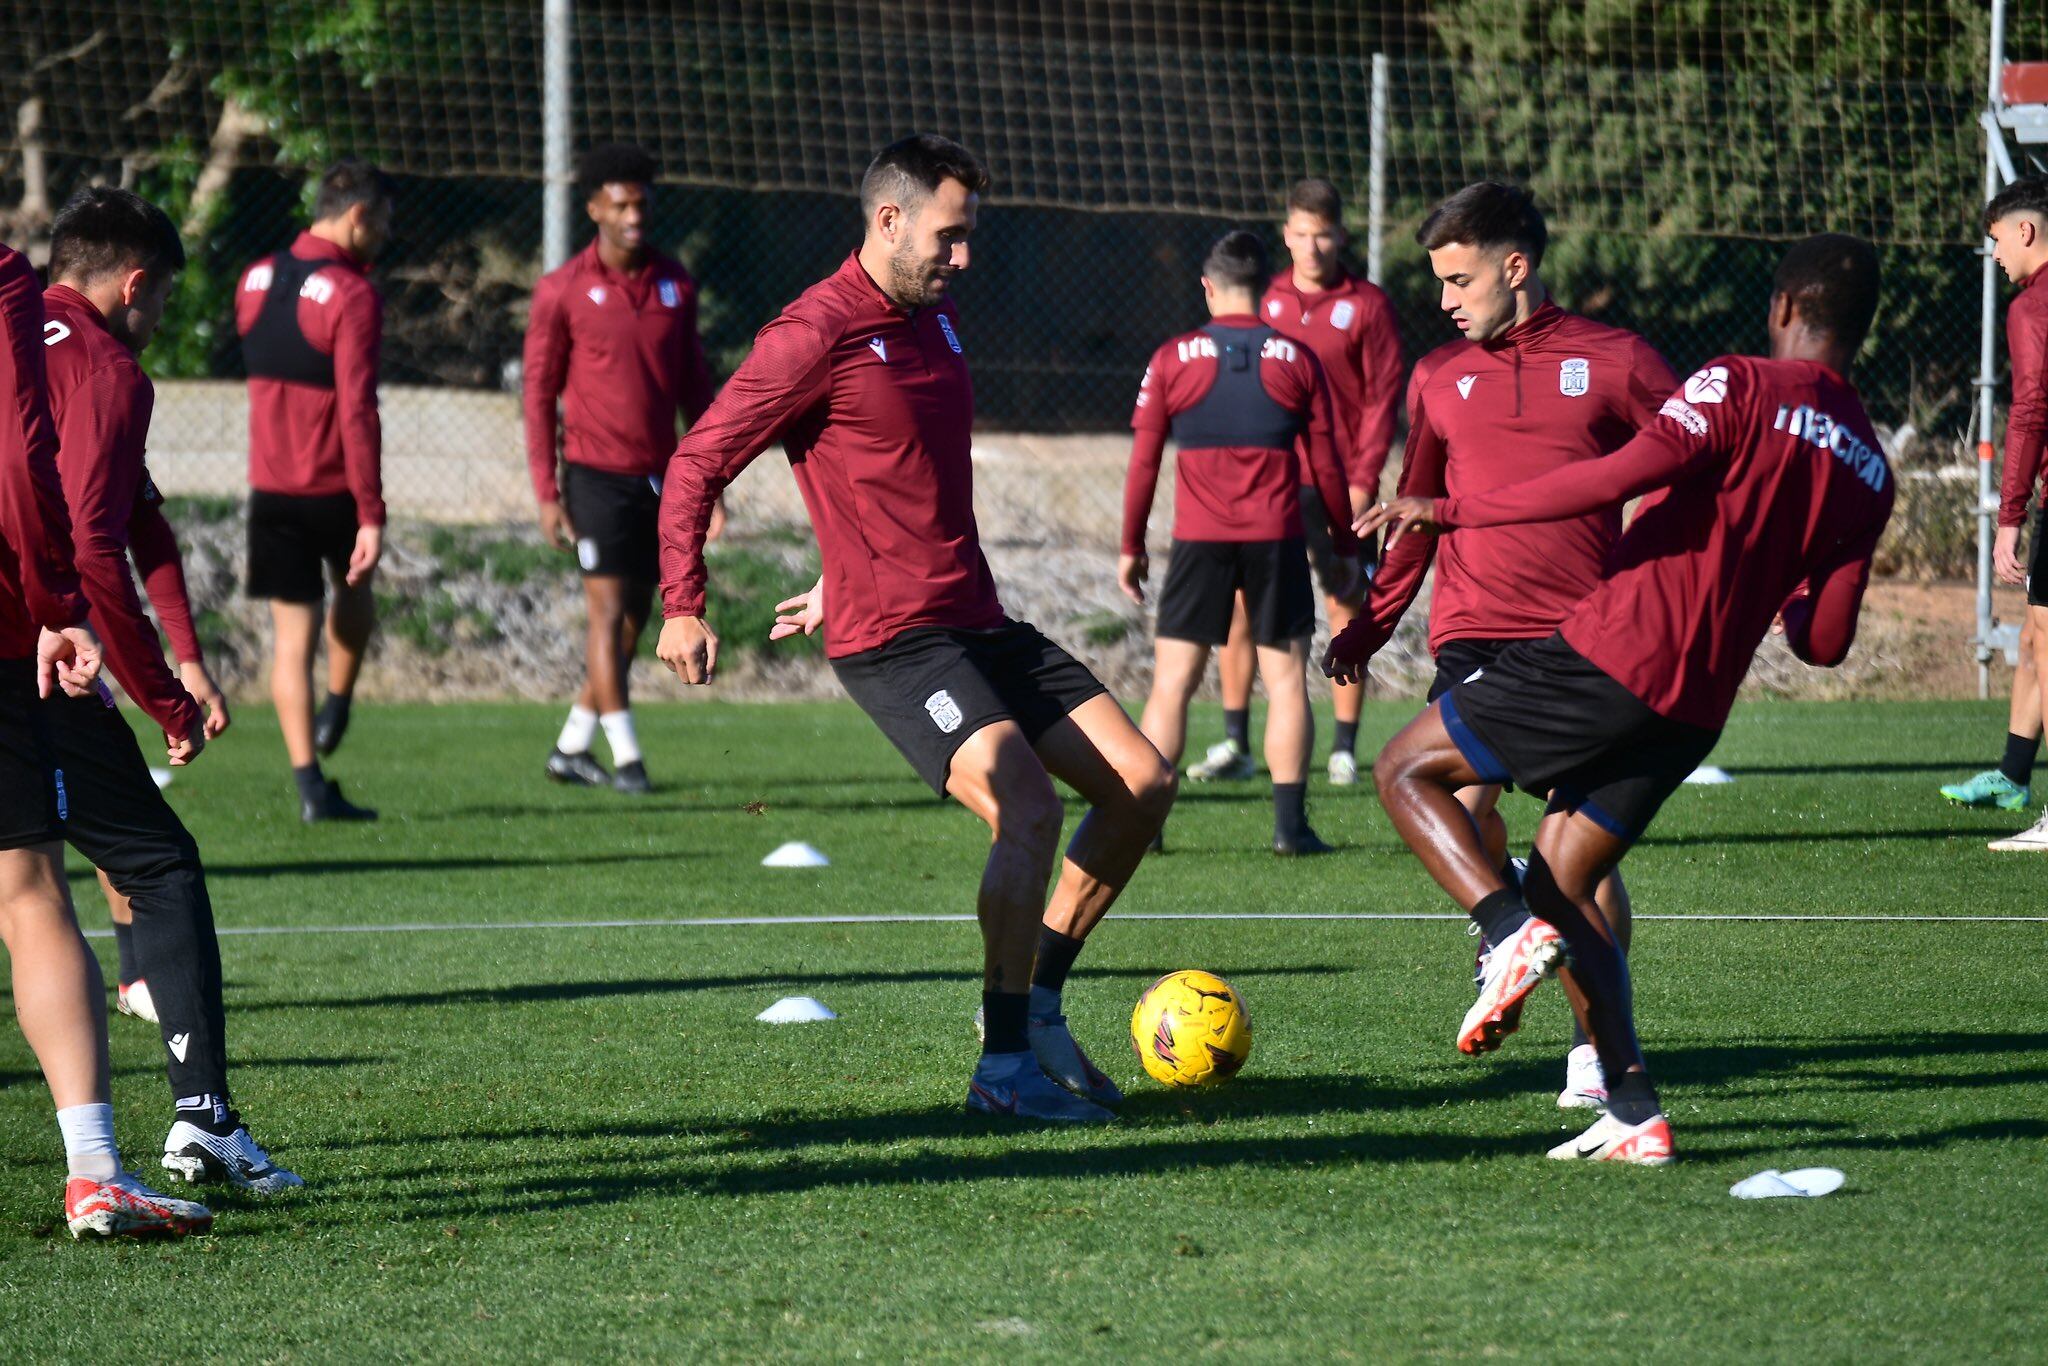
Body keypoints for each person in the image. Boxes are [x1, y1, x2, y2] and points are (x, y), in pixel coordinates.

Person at [655, 135, 1175, 1123]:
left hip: (975, 617)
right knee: (1026, 803)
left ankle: (1040, 1006)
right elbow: (695, 465)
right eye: (950, 234)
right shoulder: (811, 333)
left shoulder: (934, 319)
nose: (963, 256)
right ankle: (1005, 1069)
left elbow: (896, 476)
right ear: (887, 221)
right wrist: (682, 600)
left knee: (1143, 784)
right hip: (895, 640)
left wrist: (834, 564)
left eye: (969, 236)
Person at [1355, 233, 1894, 1163]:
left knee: (1405, 770)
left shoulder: (1738, 383)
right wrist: (1779, 583)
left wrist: (1448, 510)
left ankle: (1500, 932)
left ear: (1784, 309)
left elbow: (1610, 480)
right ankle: (1634, 1111)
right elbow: (1825, 642)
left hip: (1614, 651)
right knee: (1564, 884)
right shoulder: (1871, 470)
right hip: (1693, 708)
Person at [1323, 182, 1676, 1108]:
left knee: (1581, 856)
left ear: (1515, 269)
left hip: (1588, 640)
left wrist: (1651, 576)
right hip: (1475, 631)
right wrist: (1373, 620)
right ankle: (1508, 928)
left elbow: (1693, 464)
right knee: (1462, 791)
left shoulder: (1616, 360)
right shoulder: (1440, 377)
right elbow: (1415, 509)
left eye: (1458, 280)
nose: (1443, 301)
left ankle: (1594, 1049)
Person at [43, 187, 302, 1195]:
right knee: (158, 863)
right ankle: (200, 1120)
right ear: (135, 285)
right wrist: (162, 696)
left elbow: (138, 519)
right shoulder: (107, 368)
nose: (154, 327)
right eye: (157, 306)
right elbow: (100, 546)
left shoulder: (20, 331)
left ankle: (114, 1153)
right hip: (33, 648)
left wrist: (184, 660)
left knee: (29, 884)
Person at [0, 236, 211, 1237]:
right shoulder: (14, 284)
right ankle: (97, 1166)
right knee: (31, 887)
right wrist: (53, 604)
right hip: (5, 629)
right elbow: (24, 461)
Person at [1121, 228, 1361, 854]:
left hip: (1199, 540)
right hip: (1275, 539)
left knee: (1172, 682)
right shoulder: (1297, 358)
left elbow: (1144, 463)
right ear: (1265, 290)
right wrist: (1343, 545)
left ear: (1207, 287)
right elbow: (1329, 466)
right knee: (1285, 682)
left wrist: (1131, 546)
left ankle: (1146, 826)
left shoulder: (1171, 358)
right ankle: (1290, 829)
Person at [1188, 178, 1404, 786]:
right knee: (1238, 607)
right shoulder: (1265, 296)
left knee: (1345, 601)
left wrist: (1362, 481)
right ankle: (1236, 744)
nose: (1312, 247)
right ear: (1287, 234)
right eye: (1301, 234)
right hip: (1268, 483)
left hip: (1338, 484)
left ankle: (1342, 748)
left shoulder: (1368, 306)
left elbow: (1383, 402)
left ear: (1341, 235)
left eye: (1324, 234)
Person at [525, 143, 718, 794]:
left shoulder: (675, 283)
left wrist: (712, 480)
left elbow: (695, 383)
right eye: (621, 202)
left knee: (636, 618)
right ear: (593, 208)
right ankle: (629, 757)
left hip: (660, 479)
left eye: (642, 201)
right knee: (606, 616)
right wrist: (548, 493)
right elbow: (537, 394)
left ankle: (571, 747)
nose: (635, 213)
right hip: (592, 477)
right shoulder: (563, 290)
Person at [237, 159, 392, 822]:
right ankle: (339, 703)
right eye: (383, 222)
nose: (385, 235)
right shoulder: (352, 293)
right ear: (359, 216)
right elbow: (358, 408)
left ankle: (308, 782)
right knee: (355, 593)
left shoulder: (253, 279)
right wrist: (372, 511)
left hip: (270, 487)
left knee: (289, 638)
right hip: (331, 484)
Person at [1960, 175, 2048, 850]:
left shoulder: (2030, 309)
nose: (1993, 254)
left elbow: (2029, 410)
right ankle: (2014, 774)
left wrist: (2009, 515)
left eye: (1994, 240)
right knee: (2037, 640)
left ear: (2025, 232)